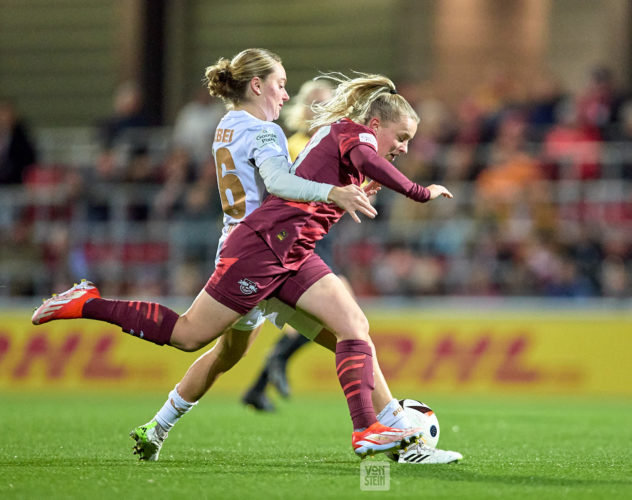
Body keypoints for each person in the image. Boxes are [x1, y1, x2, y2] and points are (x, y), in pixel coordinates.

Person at [31, 53, 458, 462]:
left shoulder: (228, 125)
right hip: (259, 249)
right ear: (257, 85)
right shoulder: (268, 132)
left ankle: (388, 430)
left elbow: (294, 177)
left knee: (345, 333)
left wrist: (339, 185)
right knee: (190, 336)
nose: (286, 96)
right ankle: (88, 302)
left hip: (276, 247)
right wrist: (346, 191)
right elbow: (278, 183)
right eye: (280, 85)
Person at [241, 78, 336, 412]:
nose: (321, 111)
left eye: (327, 104)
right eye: (315, 104)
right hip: (298, 235)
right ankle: (276, 361)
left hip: (319, 234)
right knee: (333, 313)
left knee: (322, 315)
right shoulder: (296, 144)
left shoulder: (331, 144)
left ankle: (261, 381)